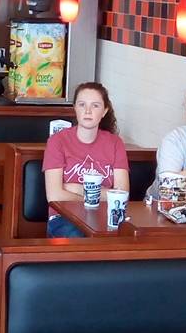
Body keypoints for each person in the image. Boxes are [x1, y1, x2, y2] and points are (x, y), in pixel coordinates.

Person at [42, 82, 129, 237]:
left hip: (104, 217)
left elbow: (122, 194)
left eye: (95, 105)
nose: (88, 111)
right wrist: (102, 195)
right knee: (82, 239)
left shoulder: (115, 143)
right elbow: (54, 196)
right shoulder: (57, 141)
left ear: (104, 111)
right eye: (82, 105)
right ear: (75, 108)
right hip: (64, 218)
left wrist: (74, 188)